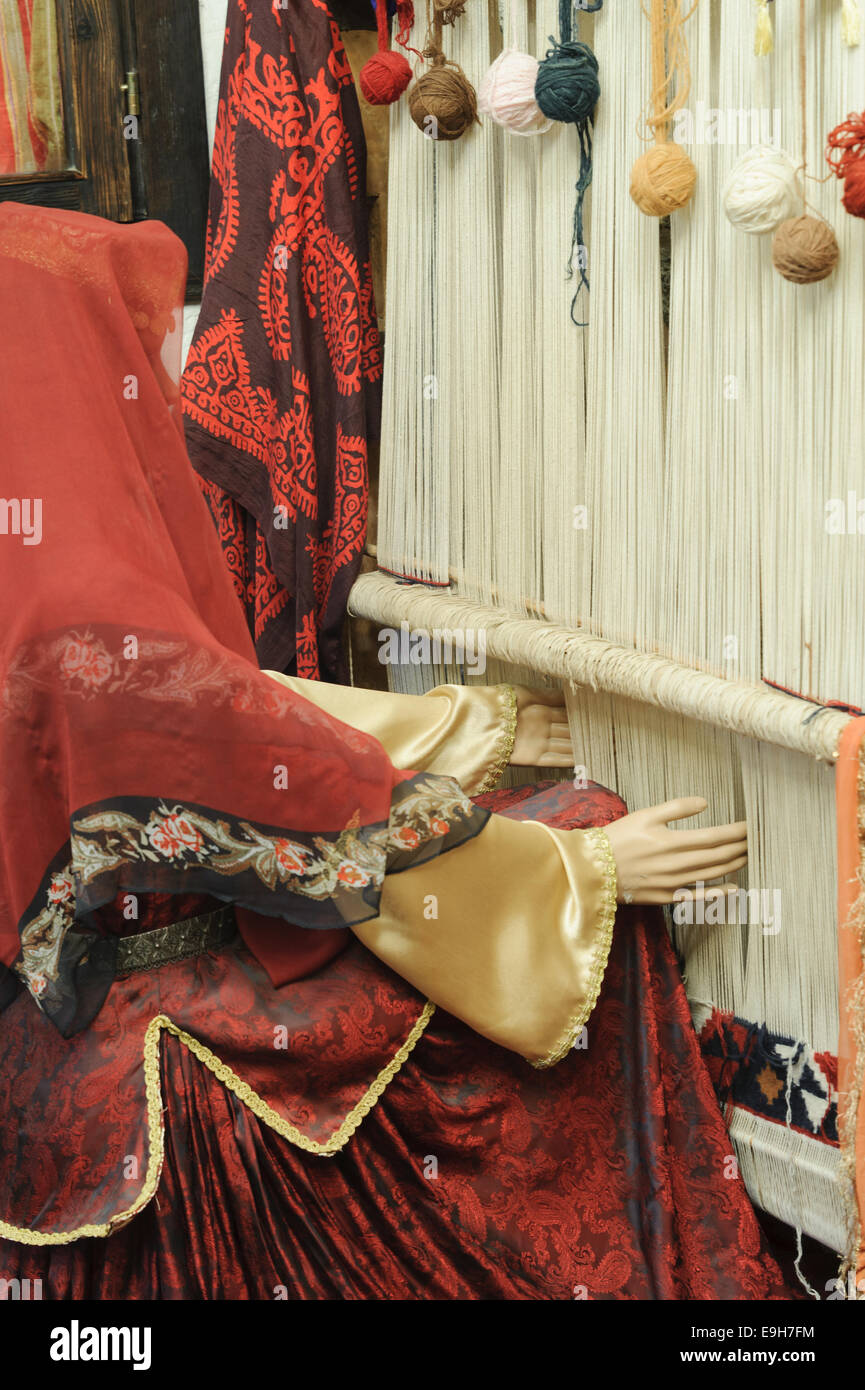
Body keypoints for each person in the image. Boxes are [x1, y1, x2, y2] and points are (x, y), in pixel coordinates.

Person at [0, 203, 789, 1299]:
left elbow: (234, 714)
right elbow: (267, 793)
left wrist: (474, 730)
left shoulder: (32, 574)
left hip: (53, 1054)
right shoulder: (85, 605)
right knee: (590, 830)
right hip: (177, 1038)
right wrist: (569, 879)